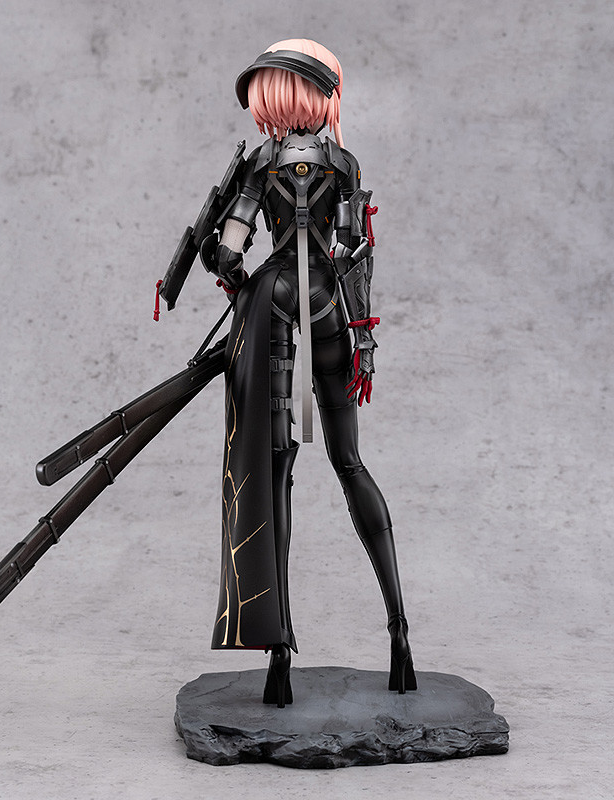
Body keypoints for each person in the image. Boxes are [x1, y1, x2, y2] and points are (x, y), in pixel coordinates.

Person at [202, 39, 417, 707]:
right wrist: (364, 339)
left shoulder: (258, 166)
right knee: (349, 461)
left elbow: (230, 253)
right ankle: (401, 635)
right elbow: (353, 253)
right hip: (326, 303)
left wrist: (225, 266)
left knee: (276, 471)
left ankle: (279, 657)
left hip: (274, 303)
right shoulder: (342, 164)